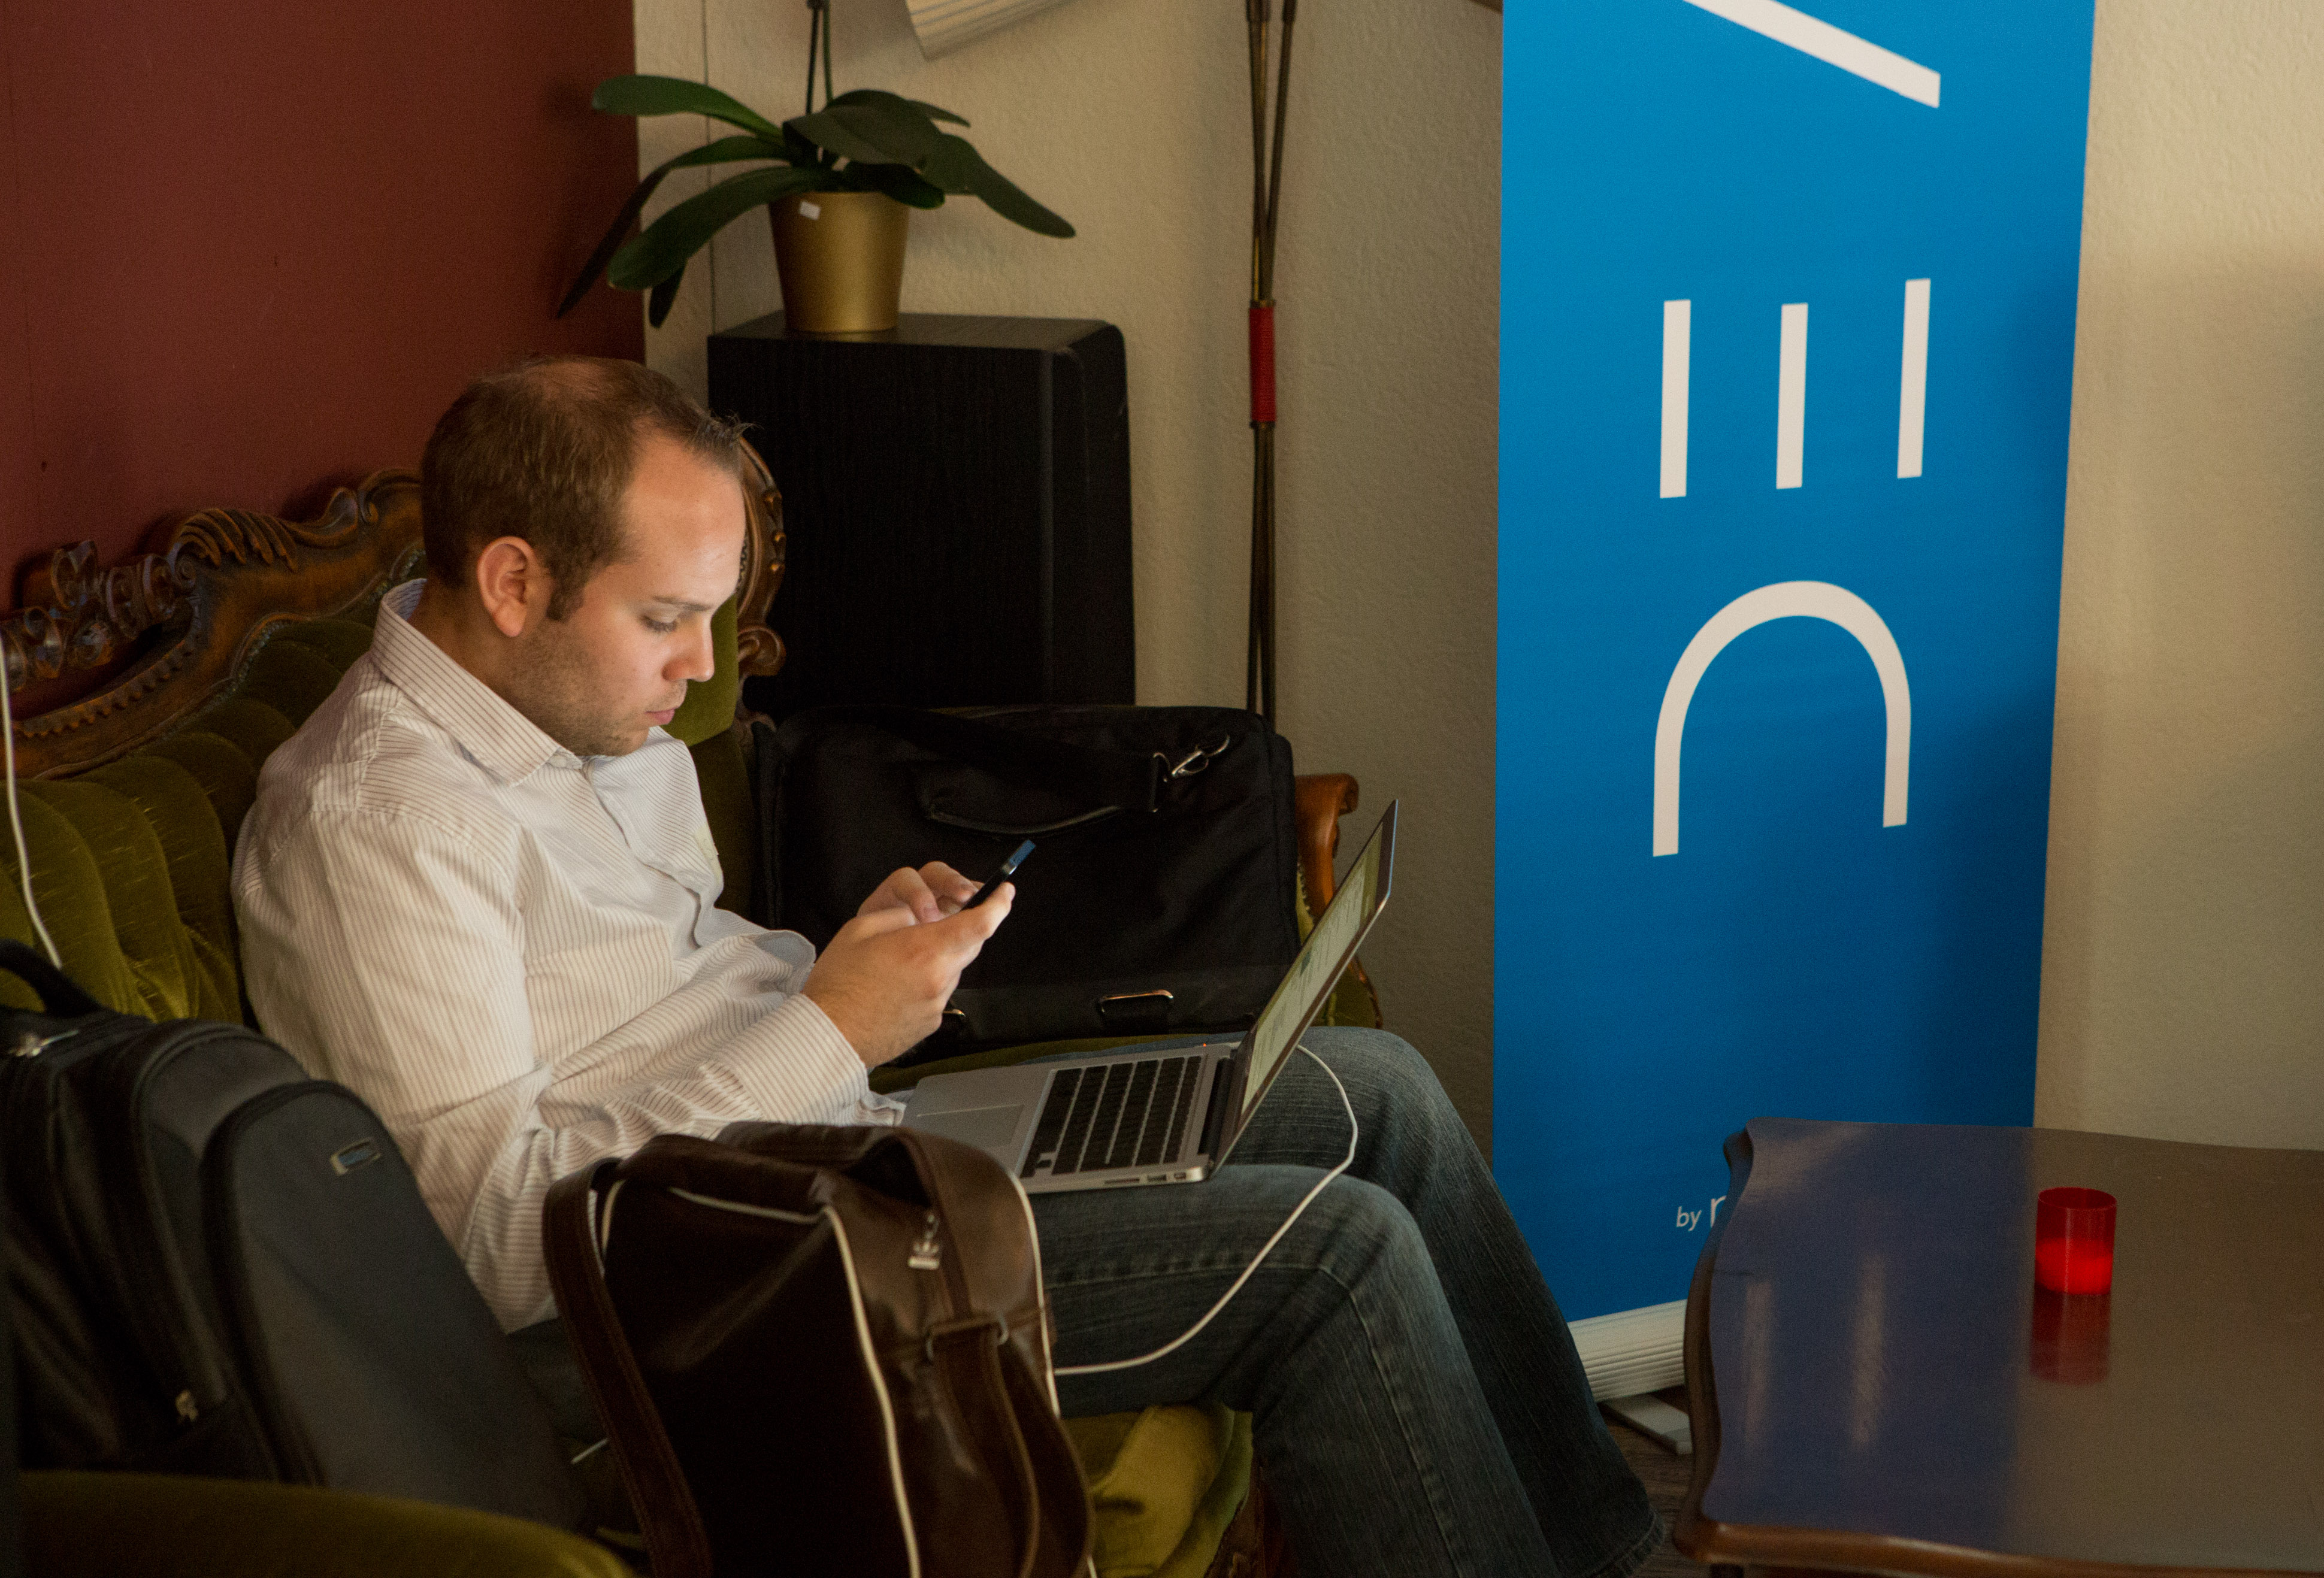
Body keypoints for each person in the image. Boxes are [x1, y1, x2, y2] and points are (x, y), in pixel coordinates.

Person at [234, 355, 1660, 1578]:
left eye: (712, 616)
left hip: (826, 1165)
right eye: (665, 618)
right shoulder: (380, 830)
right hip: (689, 1313)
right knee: (1332, 1259)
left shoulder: (577, 707)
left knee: (1381, 1094)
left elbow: (660, 994)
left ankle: (1607, 1552)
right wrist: (830, 1031)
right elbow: (492, 1244)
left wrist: (851, 969)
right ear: (511, 581)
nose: (701, 667)